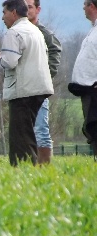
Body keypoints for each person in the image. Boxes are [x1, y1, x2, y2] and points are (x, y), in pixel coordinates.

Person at [0, 0, 53, 166]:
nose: (2, 17)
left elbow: (10, 62)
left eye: (4, 13)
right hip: (39, 88)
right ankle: (32, 166)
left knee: (20, 135)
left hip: (23, 89)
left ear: (13, 13)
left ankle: (23, 169)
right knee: (29, 131)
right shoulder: (35, 30)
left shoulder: (14, 32)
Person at [26, 0, 62, 164]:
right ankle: (27, 164)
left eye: (30, 7)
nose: (26, 10)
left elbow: (55, 51)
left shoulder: (44, 33)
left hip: (39, 89)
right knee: (25, 129)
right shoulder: (19, 31)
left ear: (38, 9)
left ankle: (44, 168)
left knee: (40, 128)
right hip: (23, 88)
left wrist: (47, 74)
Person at [68, 0, 97, 161]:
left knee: (94, 126)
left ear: (92, 6)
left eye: (85, 4)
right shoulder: (93, 30)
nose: (83, 8)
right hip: (87, 89)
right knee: (91, 127)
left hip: (93, 89)